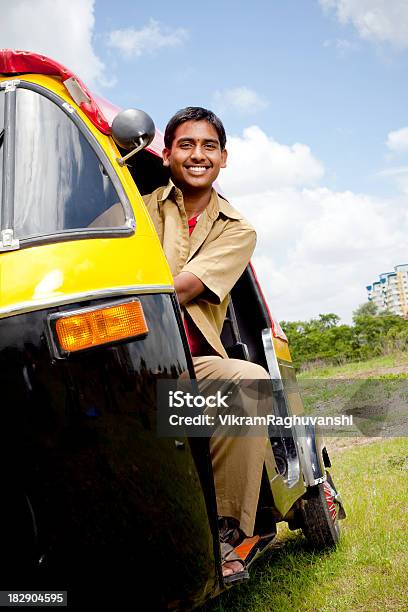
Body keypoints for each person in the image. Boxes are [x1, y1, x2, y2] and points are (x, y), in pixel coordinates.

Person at [143, 107, 271, 582]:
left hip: (189, 360)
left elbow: (183, 288)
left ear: (223, 158)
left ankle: (223, 531)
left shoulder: (238, 229)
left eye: (208, 146)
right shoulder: (134, 209)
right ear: (167, 153)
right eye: (186, 145)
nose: (197, 155)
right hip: (120, 357)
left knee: (249, 383)